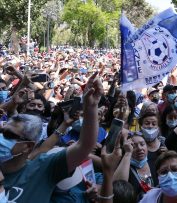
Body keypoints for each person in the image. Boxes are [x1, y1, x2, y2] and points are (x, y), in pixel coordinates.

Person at [0, 72, 103, 202]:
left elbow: (85, 145)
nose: (2, 138)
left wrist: (91, 106)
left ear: (28, 146)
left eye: (9, 135)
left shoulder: (43, 168)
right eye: (2, 131)